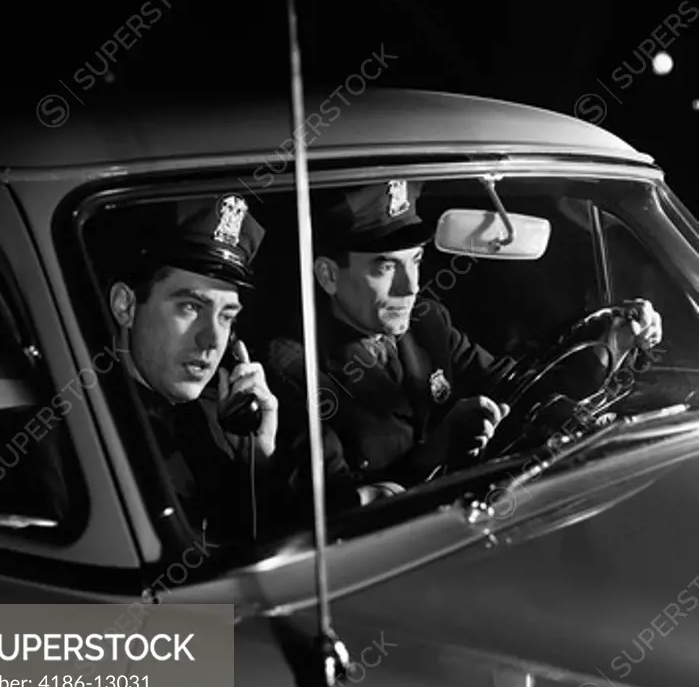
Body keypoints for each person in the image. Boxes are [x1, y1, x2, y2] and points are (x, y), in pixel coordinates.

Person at [266, 179, 663, 510]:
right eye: (386, 267)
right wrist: (433, 452)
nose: (409, 286)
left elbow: (517, 389)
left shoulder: (427, 322)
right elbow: (331, 515)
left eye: (416, 260)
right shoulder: (294, 370)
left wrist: (611, 346)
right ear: (328, 275)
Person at [108, 194, 278, 543]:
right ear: (126, 306)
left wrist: (255, 459)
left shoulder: (224, 419)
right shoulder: (79, 430)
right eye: (189, 307)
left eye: (226, 317)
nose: (212, 340)